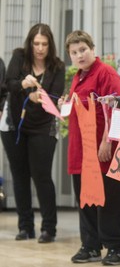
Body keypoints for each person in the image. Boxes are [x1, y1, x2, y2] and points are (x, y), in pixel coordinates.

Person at [64, 30, 120, 265]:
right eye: (74, 52)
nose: (79, 55)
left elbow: (116, 109)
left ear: (93, 49)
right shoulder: (77, 76)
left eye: (83, 50)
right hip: (81, 151)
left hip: (103, 150)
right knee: (87, 198)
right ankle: (90, 246)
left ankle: (115, 247)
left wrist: (107, 141)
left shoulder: (106, 73)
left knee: (108, 199)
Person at [1, 23, 65, 243]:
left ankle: (49, 228)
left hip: (43, 126)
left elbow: (56, 96)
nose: (40, 48)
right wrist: (22, 85)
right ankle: (25, 226)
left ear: (50, 45)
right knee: (19, 176)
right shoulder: (19, 57)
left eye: (44, 44)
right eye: (36, 43)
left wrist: (39, 96)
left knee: (42, 176)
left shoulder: (57, 66)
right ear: (30, 43)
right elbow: (8, 84)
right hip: (14, 125)